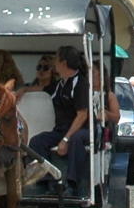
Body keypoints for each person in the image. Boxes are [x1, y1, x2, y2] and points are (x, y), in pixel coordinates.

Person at [29, 46, 91, 197]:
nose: (54, 64)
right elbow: (43, 89)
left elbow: (82, 115)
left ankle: (72, 184)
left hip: (82, 129)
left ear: (63, 63)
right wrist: (22, 91)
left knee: (76, 139)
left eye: (56, 60)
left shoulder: (80, 84)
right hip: (62, 129)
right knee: (37, 142)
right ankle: (47, 182)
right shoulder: (61, 84)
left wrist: (65, 139)